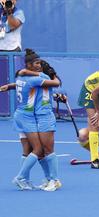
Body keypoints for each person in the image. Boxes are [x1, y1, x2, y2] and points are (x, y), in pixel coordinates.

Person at [0, 49, 61, 190]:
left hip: (40, 117)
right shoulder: (39, 78)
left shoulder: (26, 77)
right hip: (30, 117)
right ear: (29, 65)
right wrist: (52, 75)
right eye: (37, 63)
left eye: (40, 63)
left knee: (41, 150)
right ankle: (31, 178)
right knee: (39, 150)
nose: (39, 65)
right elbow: (54, 82)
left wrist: (11, 85)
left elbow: (50, 84)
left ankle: (51, 180)